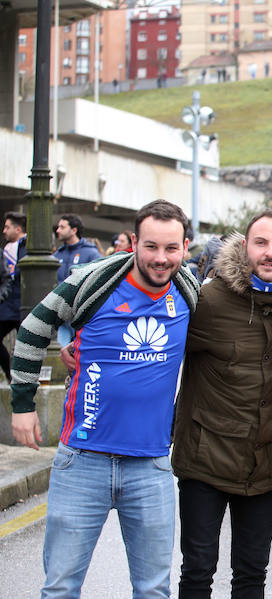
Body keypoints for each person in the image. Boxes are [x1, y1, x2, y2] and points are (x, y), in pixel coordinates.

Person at [10, 200, 199, 598]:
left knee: (153, 590)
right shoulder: (93, 281)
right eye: (150, 246)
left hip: (150, 466)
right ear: (133, 242)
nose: (161, 259)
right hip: (82, 461)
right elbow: (30, 332)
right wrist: (23, 406)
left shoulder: (190, 290)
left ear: (185, 246)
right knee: (61, 588)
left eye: (171, 248)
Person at [172, 210, 272, 598]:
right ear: (244, 246)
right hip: (204, 461)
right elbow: (156, 341)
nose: (270, 253)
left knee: (252, 574)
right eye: (261, 243)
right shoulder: (207, 300)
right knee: (198, 571)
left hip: (264, 466)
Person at [54, 213, 103, 344]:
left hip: (82, 314)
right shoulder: (57, 254)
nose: (58, 230)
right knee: (62, 351)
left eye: (62, 227)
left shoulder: (91, 253)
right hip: (62, 314)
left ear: (74, 230)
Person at [0, 212, 27, 382]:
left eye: (7, 227)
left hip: (26, 305)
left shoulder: (29, 246)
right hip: (8, 306)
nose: (3, 231)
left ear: (18, 229)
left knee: (27, 347)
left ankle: (24, 380)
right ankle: (11, 376)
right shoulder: (6, 249)